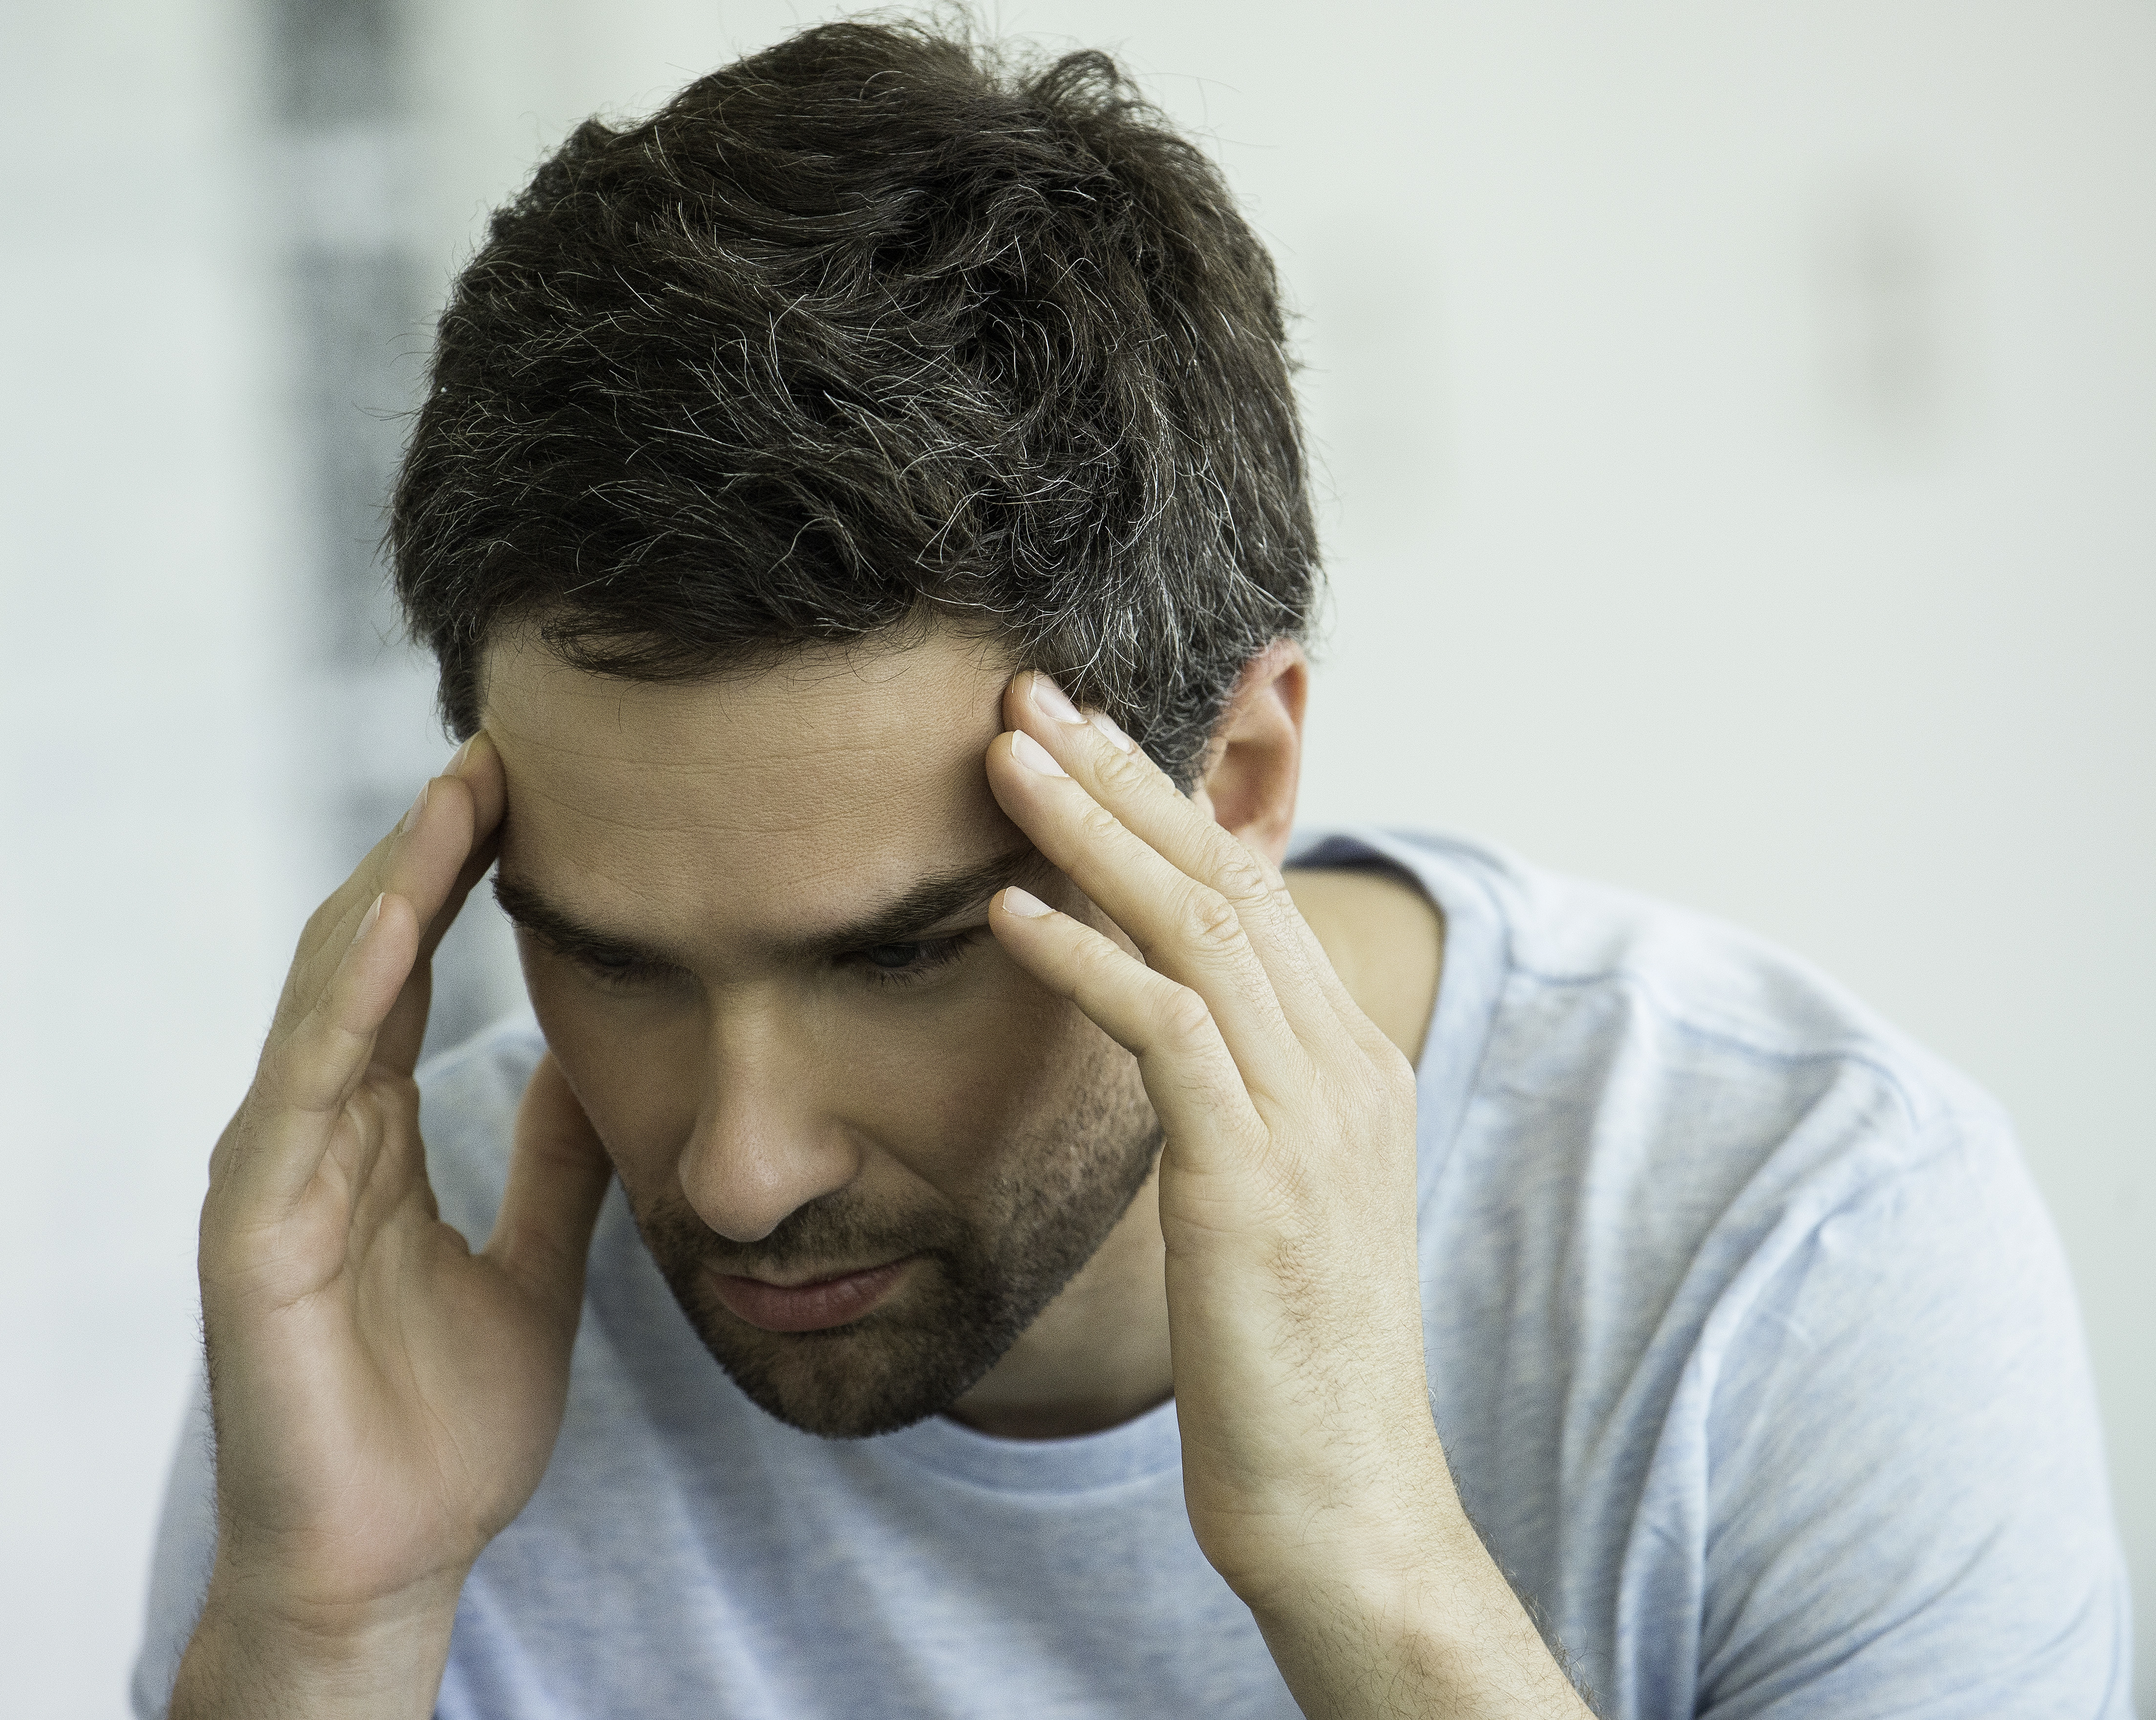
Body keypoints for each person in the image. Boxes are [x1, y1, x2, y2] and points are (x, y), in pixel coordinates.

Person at [135, 21, 2132, 1719]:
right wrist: (327, 1621)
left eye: (906, 956)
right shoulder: (422, 1272)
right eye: (615, 962)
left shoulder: (1792, 1252)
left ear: (1238, 779)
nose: (739, 1169)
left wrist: (1372, 1567)